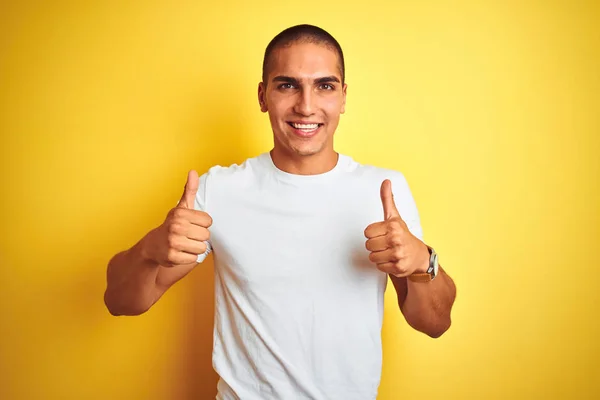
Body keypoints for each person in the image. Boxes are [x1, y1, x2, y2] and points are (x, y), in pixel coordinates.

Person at [104, 24, 457, 400]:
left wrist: (422, 261)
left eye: (325, 85)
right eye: (287, 85)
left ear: (343, 96)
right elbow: (121, 301)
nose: (306, 106)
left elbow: (435, 323)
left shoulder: (383, 190)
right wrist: (151, 248)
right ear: (263, 95)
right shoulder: (219, 190)